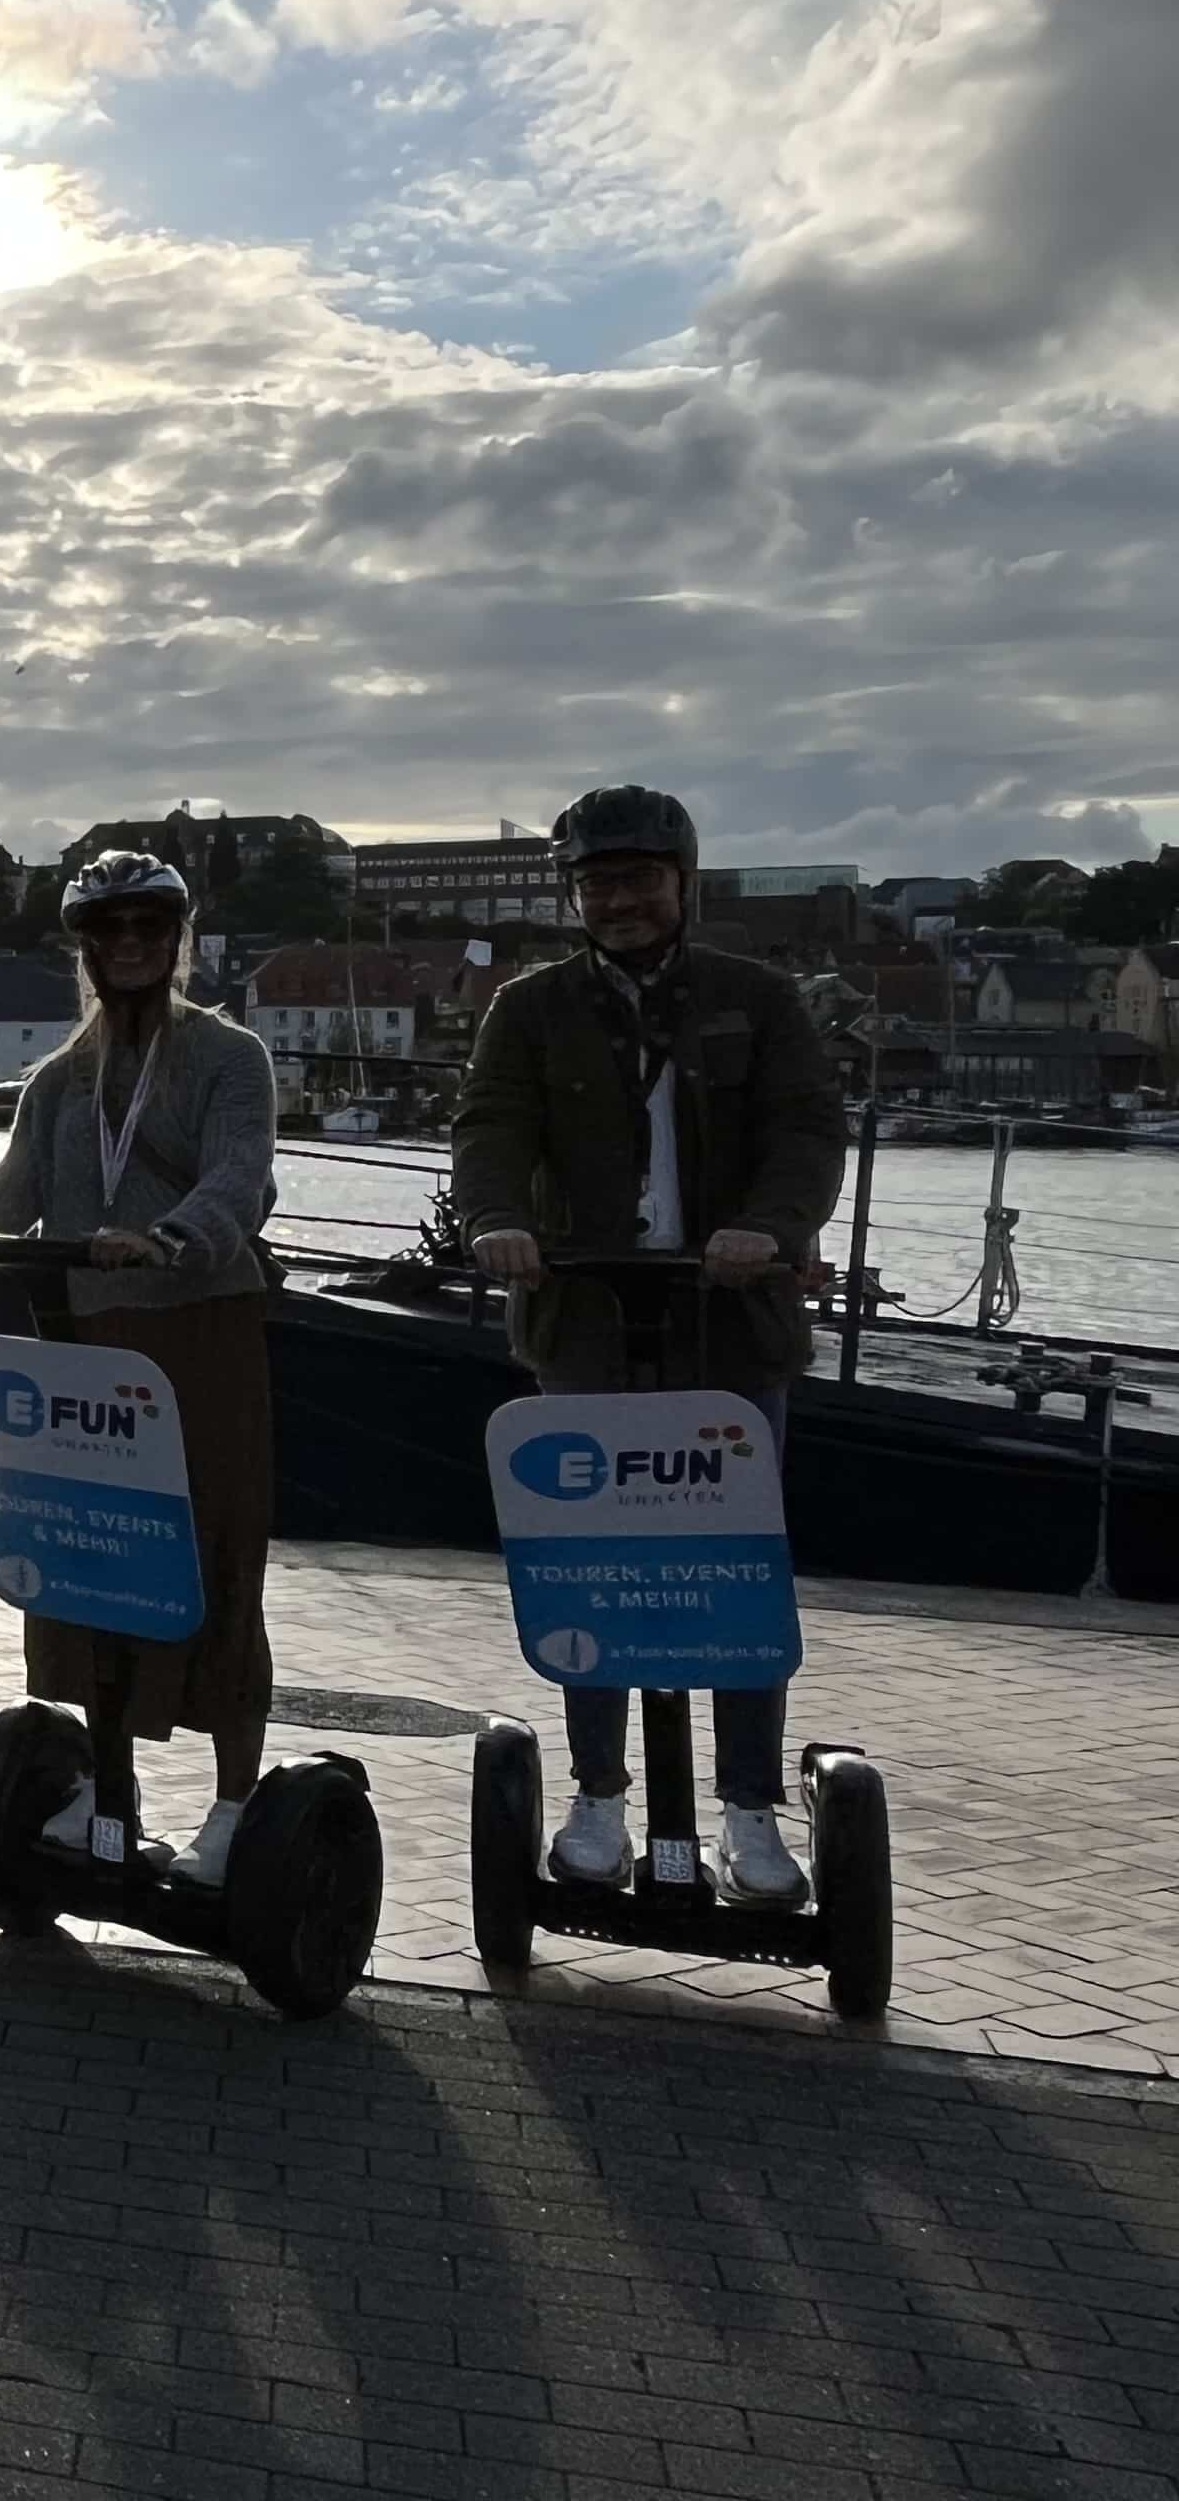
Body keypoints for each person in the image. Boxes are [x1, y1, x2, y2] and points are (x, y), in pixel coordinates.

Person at [454, 783, 846, 1906]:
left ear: (683, 881)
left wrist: (770, 1228)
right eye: (597, 883)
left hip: (732, 1324)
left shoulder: (755, 999)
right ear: (574, 893)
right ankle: (598, 1796)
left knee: (737, 1572)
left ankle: (751, 1812)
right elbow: (489, 1126)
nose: (618, 901)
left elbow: (807, 1127)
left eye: (637, 879)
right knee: (590, 1568)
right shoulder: (531, 1009)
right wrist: (496, 1223)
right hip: (584, 1322)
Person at [0, 850, 282, 1885]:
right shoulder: (57, 1082)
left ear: (178, 940)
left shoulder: (230, 1057)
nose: (127, 946)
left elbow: (239, 1175)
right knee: (91, 1560)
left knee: (213, 1559)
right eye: (106, 931)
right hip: (87, 1356)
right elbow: (9, 1196)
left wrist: (172, 1236)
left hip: (199, 1338)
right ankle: (108, 1787)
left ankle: (232, 1802)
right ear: (82, 948)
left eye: (148, 928)